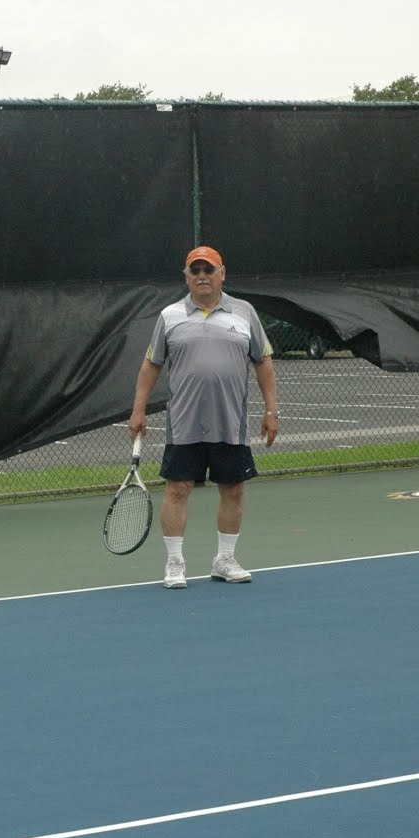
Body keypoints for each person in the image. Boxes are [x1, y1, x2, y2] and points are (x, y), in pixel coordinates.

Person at [129, 245, 279, 589]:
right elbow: (151, 365)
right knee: (178, 489)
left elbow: (264, 362)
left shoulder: (245, 313)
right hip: (183, 422)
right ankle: (175, 564)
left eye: (208, 270)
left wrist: (272, 411)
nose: (202, 277)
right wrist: (138, 410)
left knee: (233, 489)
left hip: (231, 423)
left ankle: (224, 560)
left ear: (221, 273)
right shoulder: (169, 316)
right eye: (195, 271)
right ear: (186, 278)